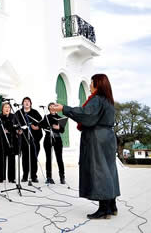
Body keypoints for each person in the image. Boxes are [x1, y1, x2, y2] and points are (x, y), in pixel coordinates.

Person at [55, 74, 120, 219]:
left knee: (99, 170)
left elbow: (86, 114)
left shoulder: (96, 99)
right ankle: (112, 205)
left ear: (98, 84)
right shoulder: (108, 101)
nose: (90, 85)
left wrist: (64, 108)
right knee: (109, 170)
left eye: (91, 83)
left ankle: (104, 209)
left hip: (97, 137)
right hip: (108, 137)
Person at [16, 97, 42, 183]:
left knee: (34, 158)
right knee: (25, 158)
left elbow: (41, 123)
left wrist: (37, 127)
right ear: (22, 103)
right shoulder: (19, 113)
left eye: (28, 102)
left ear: (30, 103)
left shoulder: (35, 112)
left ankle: (34, 176)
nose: (26, 103)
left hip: (34, 139)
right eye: (25, 102)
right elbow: (14, 124)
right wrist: (17, 130)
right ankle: (25, 175)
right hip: (24, 139)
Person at [39, 103, 66, 185]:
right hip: (48, 138)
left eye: (54, 106)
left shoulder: (60, 118)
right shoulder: (46, 117)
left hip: (57, 138)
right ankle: (49, 177)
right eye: (51, 106)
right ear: (49, 108)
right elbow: (42, 125)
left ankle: (62, 177)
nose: (52, 107)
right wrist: (49, 126)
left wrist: (59, 127)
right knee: (48, 158)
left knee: (59, 158)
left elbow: (62, 130)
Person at [0, 102, 19, 183]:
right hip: (2, 141)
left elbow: (16, 126)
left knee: (11, 160)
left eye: (8, 107)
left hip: (12, 140)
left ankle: (11, 178)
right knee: (2, 159)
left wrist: (17, 130)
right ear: (2, 109)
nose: (7, 109)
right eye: (5, 107)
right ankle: (1, 177)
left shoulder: (13, 117)